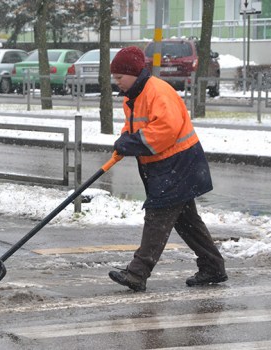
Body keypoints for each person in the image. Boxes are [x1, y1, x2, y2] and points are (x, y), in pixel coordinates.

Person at [107, 46, 227, 292]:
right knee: (187, 221)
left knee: (158, 215)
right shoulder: (133, 97)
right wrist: (124, 142)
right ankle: (213, 266)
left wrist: (134, 143)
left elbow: (166, 130)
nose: (116, 82)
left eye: (120, 77)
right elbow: (133, 127)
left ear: (133, 73)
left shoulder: (157, 92)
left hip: (179, 163)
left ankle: (137, 273)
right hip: (167, 165)